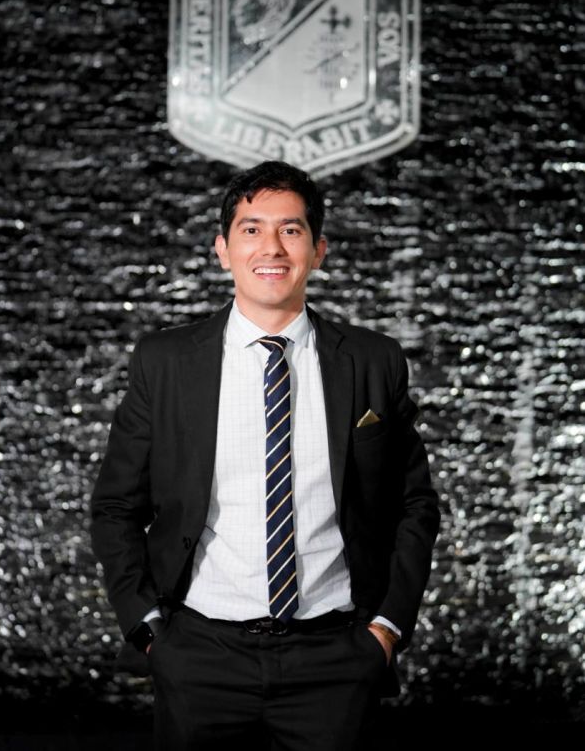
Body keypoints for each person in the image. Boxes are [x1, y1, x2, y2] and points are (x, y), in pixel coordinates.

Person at [90, 160, 440, 750]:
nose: (271, 247)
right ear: (222, 250)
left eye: (291, 229)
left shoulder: (373, 361)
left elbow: (415, 505)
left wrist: (385, 629)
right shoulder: (165, 361)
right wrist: (148, 629)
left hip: (334, 656)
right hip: (199, 653)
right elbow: (116, 505)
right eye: (251, 229)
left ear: (318, 250)